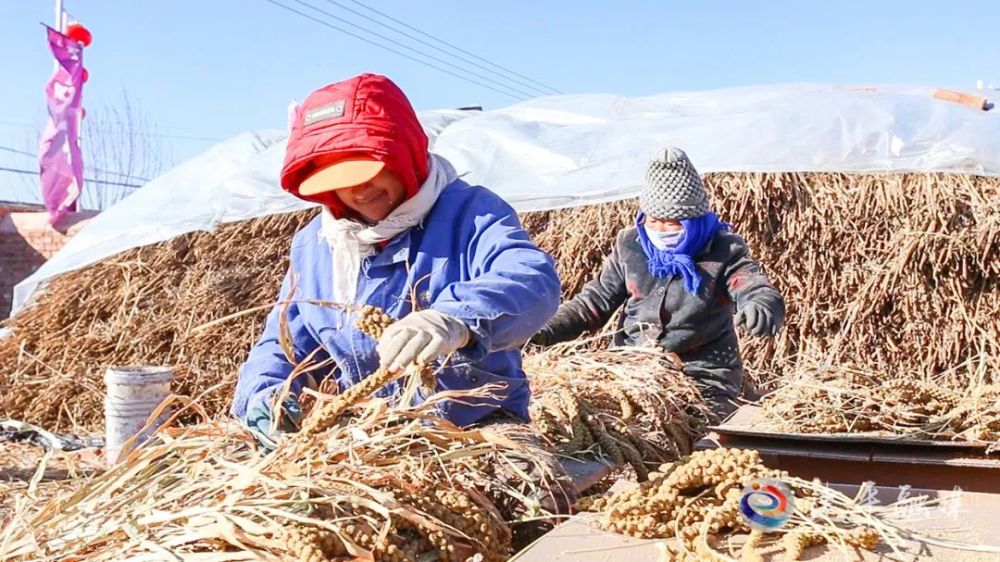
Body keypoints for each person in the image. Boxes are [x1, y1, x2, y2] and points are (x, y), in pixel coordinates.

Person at [230, 75, 572, 535]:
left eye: (371, 171)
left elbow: (533, 279)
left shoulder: (472, 213)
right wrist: (264, 396)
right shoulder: (318, 246)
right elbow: (284, 341)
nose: (360, 192)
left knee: (520, 510)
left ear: (405, 153)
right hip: (367, 439)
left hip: (476, 430)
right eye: (342, 182)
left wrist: (455, 318)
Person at [530, 147, 785, 420]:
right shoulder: (631, 246)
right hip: (631, 372)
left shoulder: (724, 250)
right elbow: (592, 304)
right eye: (655, 221)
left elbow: (751, 285)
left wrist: (760, 305)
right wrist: (538, 330)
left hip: (703, 375)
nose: (662, 230)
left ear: (694, 220)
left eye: (673, 223)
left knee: (702, 435)